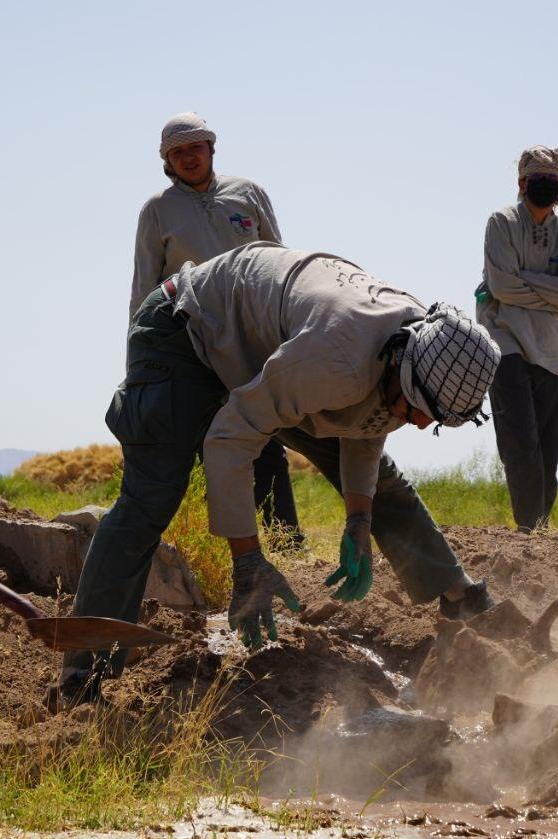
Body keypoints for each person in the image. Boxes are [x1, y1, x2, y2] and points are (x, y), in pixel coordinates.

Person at [59, 243, 502, 706]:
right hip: (187, 331)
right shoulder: (335, 360)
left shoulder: (416, 343)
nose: (419, 422)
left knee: (381, 484)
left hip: (266, 351)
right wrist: (248, 562)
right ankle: (80, 674)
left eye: (430, 417)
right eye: (415, 409)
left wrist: (358, 520)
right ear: (399, 365)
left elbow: (368, 427)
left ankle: (461, 598)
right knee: (151, 499)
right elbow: (230, 438)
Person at [132, 112, 302, 544]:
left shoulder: (248, 194)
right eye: (178, 152)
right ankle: (225, 544)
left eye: (196, 147)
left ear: (211, 148)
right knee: (206, 439)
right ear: (167, 161)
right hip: (193, 339)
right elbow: (144, 287)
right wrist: (139, 363)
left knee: (264, 434)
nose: (189, 157)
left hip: (253, 335)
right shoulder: (157, 211)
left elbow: (279, 262)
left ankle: (284, 538)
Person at [476, 146, 558, 532]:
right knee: (520, 443)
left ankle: (539, 532)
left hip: (552, 353)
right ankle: (529, 529)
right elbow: (502, 289)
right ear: (521, 183)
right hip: (504, 343)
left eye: (552, 181)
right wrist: (547, 292)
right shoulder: (501, 223)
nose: (543, 186)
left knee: (546, 451)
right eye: (536, 180)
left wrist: (522, 281)